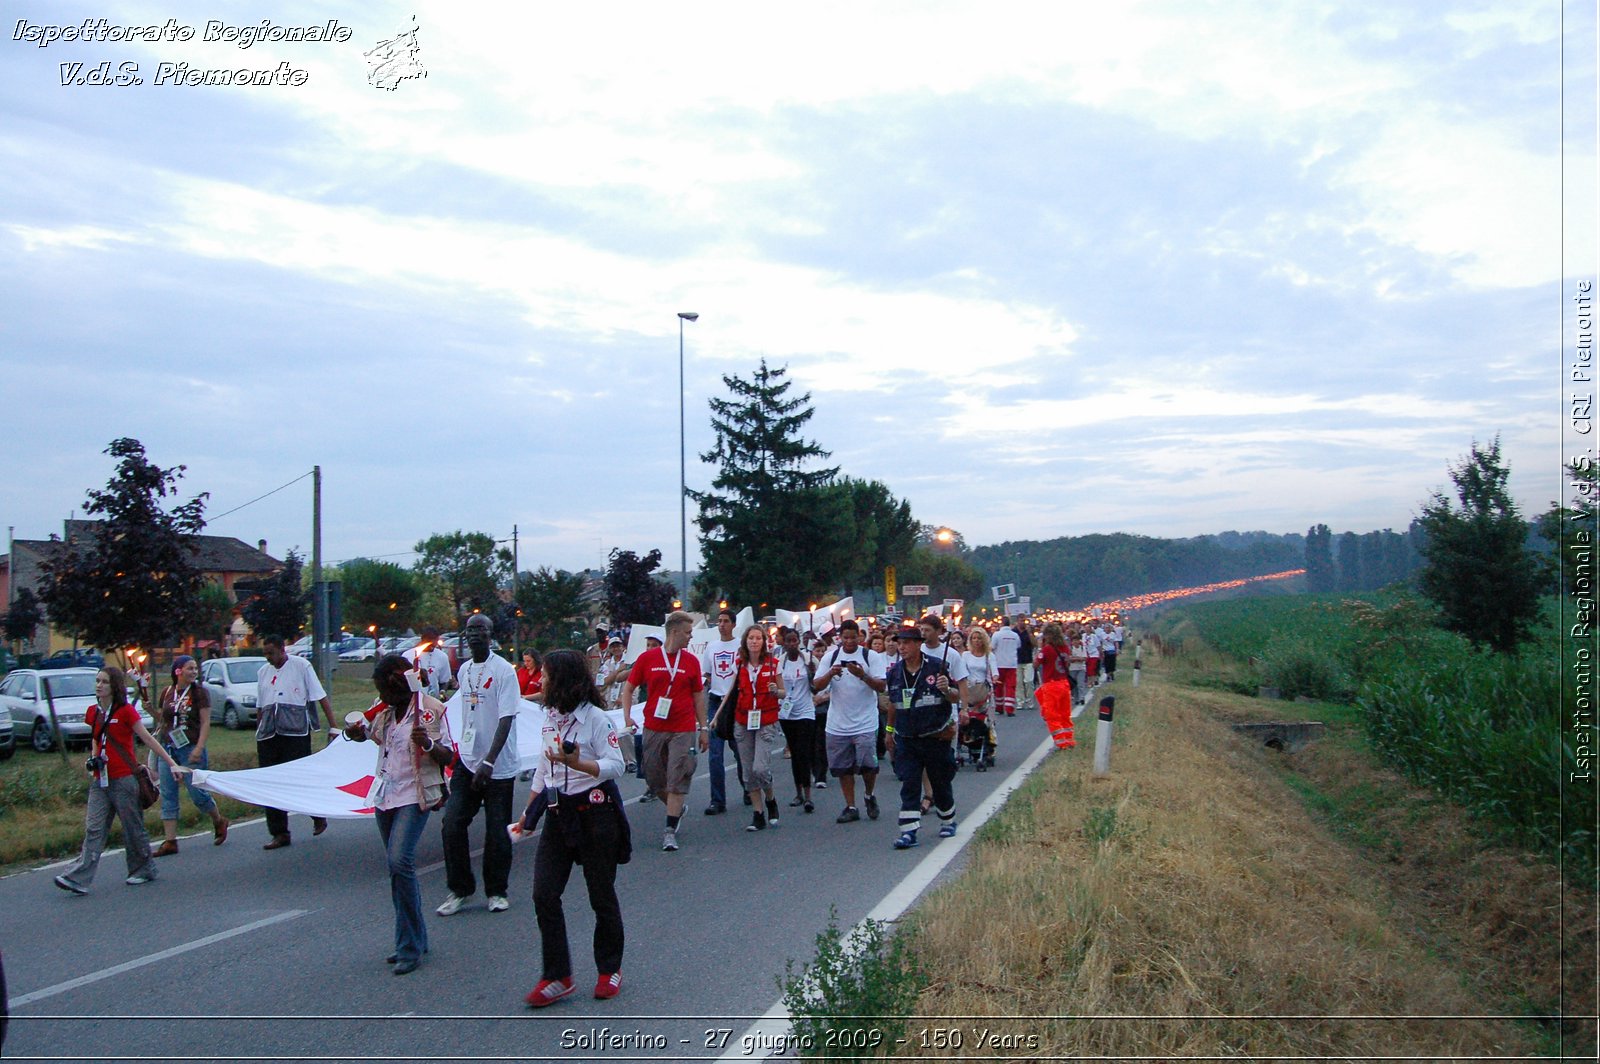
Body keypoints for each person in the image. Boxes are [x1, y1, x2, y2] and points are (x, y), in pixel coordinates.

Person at [522, 650, 630, 1007]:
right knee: (544, 893)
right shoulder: (550, 717)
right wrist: (528, 812)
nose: (540, 681)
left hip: (596, 813)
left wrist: (579, 763)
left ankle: (609, 968)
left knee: (601, 894)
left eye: (547, 676)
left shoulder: (596, 720)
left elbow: (618, 765)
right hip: (558, 813)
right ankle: (558, 975)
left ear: (564, 680)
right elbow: (543, 766)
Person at [343, 654, 452, 975]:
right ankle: (415, 939)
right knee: (398, 871)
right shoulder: (387, 712)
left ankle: (408, 947)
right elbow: (369, 733)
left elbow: (449, 756)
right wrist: (355, 731)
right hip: (386, 795)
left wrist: (429, 745)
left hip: (415, 795)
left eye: (385, 690)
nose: (382, 697)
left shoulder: (430, 708)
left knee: (399, 861)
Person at [54, 666, 192, 894]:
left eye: (104, 682)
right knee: (94, 828)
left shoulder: (126, 711)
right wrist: (93, 758)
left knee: (132, 827)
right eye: (97, 681)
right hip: (101, 780)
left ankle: (143, 868)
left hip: (125, 779)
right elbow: (96, 738)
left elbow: (147, 738)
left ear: (114, 686)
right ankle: (78, 877)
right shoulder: (93, 712)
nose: (99, 685)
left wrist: (170, 762)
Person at [436, 613, 521, 916]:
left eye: (480, 630)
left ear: (490, 634)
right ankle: (460, 889)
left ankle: (497, 891)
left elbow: (507, 717)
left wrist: (489, 760)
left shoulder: (503, 672)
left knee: (497, 831)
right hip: (469, 761)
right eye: (470, 630)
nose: (474, 635)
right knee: (452, 823)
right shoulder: (464, 670)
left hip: (497, 766)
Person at [621, 611, 708, 852]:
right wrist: (628, 716)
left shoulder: (690, 661)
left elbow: (698, 696)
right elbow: (628, 689)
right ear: (675, 632)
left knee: (677, 776)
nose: (690, 637)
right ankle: (676, 808)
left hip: (682, 727)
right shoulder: (648, 659)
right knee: (653, 777)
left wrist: (703, 728)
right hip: (654, 727)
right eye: (688, 633)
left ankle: (669, 831)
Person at [256, 635, 339, 850]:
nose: (268, 657)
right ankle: (279, 832)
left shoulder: (301, 666)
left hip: (295, 732)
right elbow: (260, 704)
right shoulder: (263, 672)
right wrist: (259, 729)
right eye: (265, 653)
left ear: (282, 650)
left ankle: (317, 813)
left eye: (271, 653)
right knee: (271, 782)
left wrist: (333, 726)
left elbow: (320, 697)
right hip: (269, 734)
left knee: (301, 777)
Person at [884, 629, 959, 850]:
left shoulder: (937, 666)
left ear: (919, 644)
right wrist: (889, 732)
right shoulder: (894, 673)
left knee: (940, 781)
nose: (902, 647)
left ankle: (948, 819)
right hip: (907, 738)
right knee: (909, 782)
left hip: (935, 736)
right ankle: (908, 831)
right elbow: (893, 704)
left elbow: (955, 696)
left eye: (906, 643)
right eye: (900, 644)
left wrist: (947, 690)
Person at [811, 619, 886, 824]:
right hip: (838, 722)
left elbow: (881, 686)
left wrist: (862, 675)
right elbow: (816, 685)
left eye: (853, 637)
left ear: (859, 637)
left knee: (868, 765)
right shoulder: (831, 657)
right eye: (846, 638)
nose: (850, 641)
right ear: (840, 638)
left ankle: (869, 795)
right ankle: (850, 805)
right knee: (843, 767)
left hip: (865, 721)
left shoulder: (871, 656)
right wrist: (831, 673)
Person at [153, 655, 229, 856]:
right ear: (178, 671)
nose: (194, 672)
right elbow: (164, 721)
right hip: (169, 749)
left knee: (197, 792)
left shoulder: (199, 693)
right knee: (168, 793)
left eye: (195, 668)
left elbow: (205, 722)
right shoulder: (167, 692)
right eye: (189, 668)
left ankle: (218, 819)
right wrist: (150, 711)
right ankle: (170, 840)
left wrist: (199, 747)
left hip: (190, 747)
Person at [730, 624, 784, 831]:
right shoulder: (739, 665)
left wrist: (775, 691)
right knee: (747, 771)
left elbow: (783, 693)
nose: (754, 641)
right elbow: (731, 692)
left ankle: (770, 798)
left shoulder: (773, 664)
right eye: (751, 638)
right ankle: (758, 812)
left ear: (764, 642)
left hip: (766, 719)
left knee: (760, 767)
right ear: (745, 641)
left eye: (758, 638)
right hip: (743, 720)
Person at [699, 608, 746, 815]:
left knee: (739, 751)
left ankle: (748, 787)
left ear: (733, 624)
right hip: (715, 702)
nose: (722, 625)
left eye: (726, 621)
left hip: (735, 702)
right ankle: (718, 800)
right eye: (719, 621)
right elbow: (707, 674)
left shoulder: (740, 646)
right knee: (715, 755)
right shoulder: (712, 647)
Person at [774, 627, 816, 813]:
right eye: (788, 641)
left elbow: (816, 687)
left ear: (798, 642)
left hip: (805, 711)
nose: (792, 644)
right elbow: (777, 686)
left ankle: (808, 796)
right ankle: (798, 792)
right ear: (783, 642)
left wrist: (812, 673)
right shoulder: (779, 663)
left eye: (794, 641)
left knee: (803, 752)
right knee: (794, 753)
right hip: (787, 712)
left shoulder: (807, 660)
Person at [960, 627, 999, 769]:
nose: (976, 641)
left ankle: (989, 748)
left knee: (987, 721)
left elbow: (994, 671)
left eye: (979, 638)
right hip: (969, 689)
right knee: (966, 718)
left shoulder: (989, 656)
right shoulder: (965, 656)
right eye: (974, 638)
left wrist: (994, 678)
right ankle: (967, 742)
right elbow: (961, 671)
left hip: (983, 690)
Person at [1037, 622, 1076, 750]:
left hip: (1051, 684)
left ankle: (1061, 742)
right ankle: (1069, 739)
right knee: (1065, 714)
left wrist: (1039, 648)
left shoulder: (1047, 649)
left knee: (1052, 715)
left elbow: (1036, 663)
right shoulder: (1065, 648)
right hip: (1064, 683)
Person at [406, 627, 453, 698]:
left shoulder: (442, 656)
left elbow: (445, 681)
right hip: (413, 699)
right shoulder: (408, 655)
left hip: (433, 700)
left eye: (435, 640)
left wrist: (442, 693)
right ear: (423, 639)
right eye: (430, 639)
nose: (433, 643)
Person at [990, 616, 1021, 717]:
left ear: (1001, 624)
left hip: (999, 664)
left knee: (999, 686)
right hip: (1012, 664)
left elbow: (992, 647)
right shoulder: (1015, 635)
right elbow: (1018, 646)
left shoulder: (996, 635)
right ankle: (1009, 708)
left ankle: (999, 707)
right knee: (1010, 686)